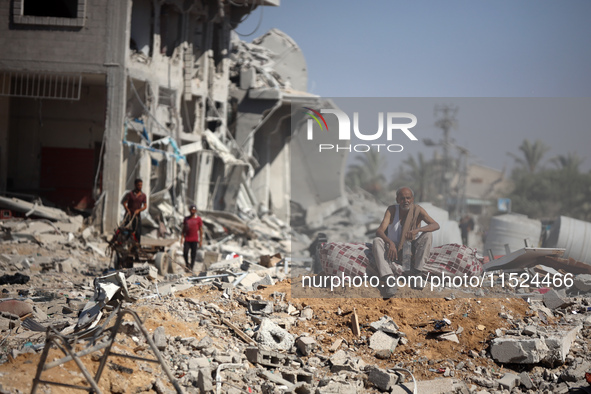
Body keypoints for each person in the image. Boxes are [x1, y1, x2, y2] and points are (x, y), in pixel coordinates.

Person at [372, 187, 440, 298]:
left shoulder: (418, 210)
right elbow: (379, 230)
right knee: (377, 241)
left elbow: (435, 225)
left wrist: (417, 230)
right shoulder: (392, 210)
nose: (405, 201)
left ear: (412, 199)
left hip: (409, 251)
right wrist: (390, 243)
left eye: (408, 198)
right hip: (392, 252)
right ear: (397, 200)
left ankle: (418, 273)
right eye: (402, 198)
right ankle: (389, 278)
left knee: (428, 234)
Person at [122, 178, 147, 244]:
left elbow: (145, 206)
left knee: (138, 232)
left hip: (137, 217)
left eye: (141, 185)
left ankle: (137, 247)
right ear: (135, 185)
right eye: (139, 185)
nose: (140, 187)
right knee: (127, 232)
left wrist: (139, 210)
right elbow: (124, 203)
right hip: (129, 216)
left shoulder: (143, 196)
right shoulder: (130, 194)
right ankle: (126, 245)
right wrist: (128, 210)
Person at [181, 205, 203, 272]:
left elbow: (201, 230)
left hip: (195, 240)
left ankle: (191, 267)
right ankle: (187, 264)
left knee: (193, 254)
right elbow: (184, 229)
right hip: (187, 239)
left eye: (194, 210)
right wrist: (182, 237)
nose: (192, 211)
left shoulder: (198, 219)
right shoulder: (186, 219)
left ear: (195, 211)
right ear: (189, 210)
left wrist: (201, 240)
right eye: (191, 210)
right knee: (185, 253)